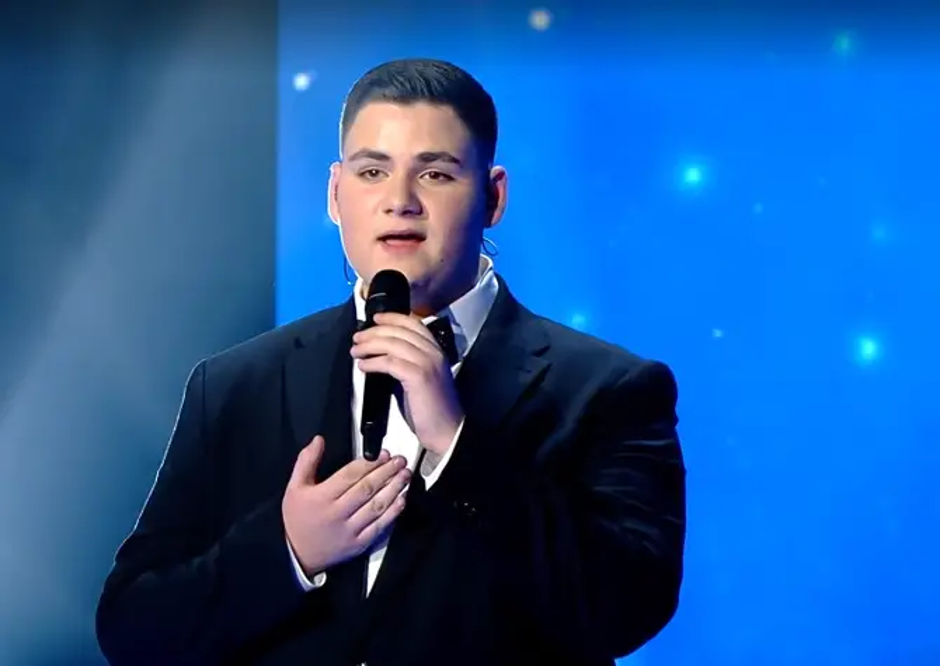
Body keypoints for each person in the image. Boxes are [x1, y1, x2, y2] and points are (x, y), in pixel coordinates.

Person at [96, 58, 686, 666]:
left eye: (435, 173)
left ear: (493, 196)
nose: (399, 202)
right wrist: (289, 549)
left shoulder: (607, 388)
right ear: (335, 193)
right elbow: (133, 627)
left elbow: (628, 607)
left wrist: (456, 445)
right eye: (373, 171)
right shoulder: (235, 383)